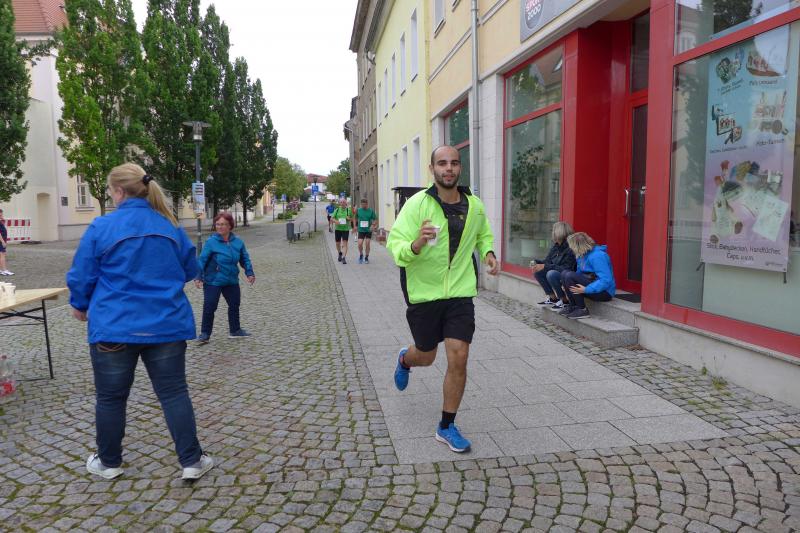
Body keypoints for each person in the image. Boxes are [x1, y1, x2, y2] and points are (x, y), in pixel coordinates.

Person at [66, 163, 213, 481]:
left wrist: (80, 304)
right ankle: (191, 460)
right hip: (165, 324)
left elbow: (81, 273)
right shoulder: (170, 225)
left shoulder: (102, 226)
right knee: (174, 393)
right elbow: (191, 269)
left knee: (110, 398)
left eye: (110, 191)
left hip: (114, 325)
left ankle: (109, 463)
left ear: (119, 191)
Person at [387, 145, 499, 453]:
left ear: (460, 168)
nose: (448, 168)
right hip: (424, 294)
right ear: (432, 169)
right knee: (426, 356)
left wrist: (488, 253)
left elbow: (483, 234)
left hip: (460, 293)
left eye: (454, 163)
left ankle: (446, 426)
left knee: (459, 355)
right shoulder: (416, 205)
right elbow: (395, 247)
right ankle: (405, 359)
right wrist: (417, 244)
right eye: (442, 163)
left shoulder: (474, 205)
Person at [195, 212, 255, 343]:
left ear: (230, 226)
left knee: (234, 304)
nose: (220, 227)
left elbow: (245, 259)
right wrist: (198, 276)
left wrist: (249, 273)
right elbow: (202, 260)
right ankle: (205, 334)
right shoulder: (211, 242)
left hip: (231, 280)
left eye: (223, 224)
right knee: (210, 306)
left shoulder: (238, 242)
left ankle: (235, 330)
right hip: (213, 280)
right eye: (217, 224)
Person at [559, 232, 616, 319]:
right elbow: (579, 274)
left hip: (604, 292)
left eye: (572, 246)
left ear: (578, 246)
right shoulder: (582, 255)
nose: (571, 248)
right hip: (591, 286)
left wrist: (587, 289)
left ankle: (582, 309)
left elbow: (606, 280)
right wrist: (566, 284)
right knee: (565, 273)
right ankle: (573, 306)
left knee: (569, 275)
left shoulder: (598, 256)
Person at [531, 221, 576, 309]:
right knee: (538, 272)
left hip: (568, 275)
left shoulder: (571, 248)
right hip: (558, 272)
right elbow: (547, 262)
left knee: (551, 273)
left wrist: (545, 266)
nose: (552, 234)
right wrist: (536, 262)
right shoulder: (556, 247)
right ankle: (553, 298)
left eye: (553, 231)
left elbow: (568, 268)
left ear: (559, 233)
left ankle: (564, 301)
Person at [355, 197, 378, 264]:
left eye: (364, 204)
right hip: (361, 230)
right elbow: (355, 218)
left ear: (367, 204)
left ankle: (366, 257)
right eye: (362, 204)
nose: (363, 206)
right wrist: (355, 226)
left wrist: (372, 225)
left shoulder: (371, 211)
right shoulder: (358, 210)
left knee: (367, 243)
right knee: (359, 244)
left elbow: (375, 219)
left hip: (368, 230)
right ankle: (361, 254)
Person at [332, 198, 353, 264]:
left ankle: (344, 257)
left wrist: (349, 218)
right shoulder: (337, 210)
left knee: (345, 243)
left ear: (346, 203)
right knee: (337, 243)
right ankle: (340, 253)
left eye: (343, 202)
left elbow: (352, 219)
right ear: (339, 203)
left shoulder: (348, 210)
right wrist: (336, 221)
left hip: (345, 229)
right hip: (338, 229)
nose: (342, 203)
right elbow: (332, 218)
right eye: (341, 202)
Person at [0, 209, 11, 276]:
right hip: (1, 241)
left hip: (2, 240)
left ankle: (1, 270)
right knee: (2, 255)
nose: (1, 215)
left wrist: (2, 220)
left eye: (1, 214)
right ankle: (4, 270)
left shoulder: (1, 221)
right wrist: (3, 241)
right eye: (0, 214)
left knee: (1, 255)